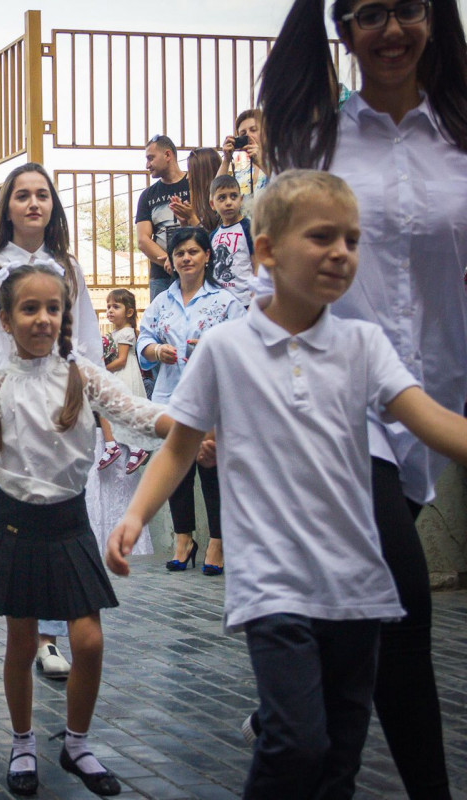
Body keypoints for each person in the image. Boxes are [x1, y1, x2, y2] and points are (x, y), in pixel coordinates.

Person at [109, 169, 467, 800]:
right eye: (322, 236)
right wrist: (136, 516)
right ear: (267, 251)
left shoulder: (363, 344)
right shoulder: (225, 349)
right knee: (295, 740)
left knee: (339, 757)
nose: (341, 252)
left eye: (352, 240)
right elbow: (180, 447)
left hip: (358, 587)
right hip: (274, 585)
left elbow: (431, 420)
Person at [257, 3, 467, 795]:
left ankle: (298, 722)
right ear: (342, 28)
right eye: (369, 13)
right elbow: (275, 275)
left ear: (433, 17)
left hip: (436, 402)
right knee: (404, 603)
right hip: (337, 403)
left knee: (363, 618)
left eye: (406, 9)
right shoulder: (318, 142)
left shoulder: (459, 135)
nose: (390, 31)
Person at [0, 261, 168, 796]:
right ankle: (22, 742)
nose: (43, 319)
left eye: (53, 309)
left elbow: (136, 411)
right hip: (16, 528)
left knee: (88, 640)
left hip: (70, 526)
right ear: (5, 318)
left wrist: (189, 423)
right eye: (30, 308)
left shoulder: (82, 374)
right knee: (20, 643)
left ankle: (76, 743)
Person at [0, 162, 104, 683]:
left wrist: (91, 407)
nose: (33, 203)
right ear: (8, 206)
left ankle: (48, 637)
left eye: (43, 194)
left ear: (53, 205)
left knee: (51, 513)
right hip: (2, 404)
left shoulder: (69, 266)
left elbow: (86, 339)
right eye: (22, 195)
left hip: (57, 404)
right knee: (7, 502)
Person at [138, 227, 245, 573]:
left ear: (207, 256)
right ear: (172, 260)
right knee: (177, 472)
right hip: (170, 398)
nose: (186, 258)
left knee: (211, 469)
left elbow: (246, 347)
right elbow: (143, 342)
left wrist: (215, 349)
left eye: (193, 252)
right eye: (180, 253)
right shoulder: (161, 303)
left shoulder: (225, 302)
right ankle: (184, 539)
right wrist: (156, 350)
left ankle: (218, 542)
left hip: (213, 400)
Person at [100, 290, 151, 474]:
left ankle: (118, 446)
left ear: (129, 312)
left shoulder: (127, 332)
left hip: (124, 374)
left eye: (116, 306)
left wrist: (102, 370)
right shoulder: (114, 333)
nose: (110, 310)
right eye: (108, 307)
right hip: (117, 374)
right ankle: (120, 446)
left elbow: (121, 360)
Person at [136, 135, 189, 303]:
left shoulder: (194, 184)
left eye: (151, 158)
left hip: (195, 272)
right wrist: (170, 260)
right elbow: (143, 239)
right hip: (161, 276)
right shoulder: (147, 195)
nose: (147, 165)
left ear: (167, 155)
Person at [208, 175, 256, 306]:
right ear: (212, 204)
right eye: (222, 198)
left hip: (245, 301)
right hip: (221, 303)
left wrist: (256, 295)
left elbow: (257, 263)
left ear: (241, 200)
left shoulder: (249, 228)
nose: (228, 202)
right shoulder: (213, 236)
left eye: (233, 196)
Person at [217, 108, 271, 215]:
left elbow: (286, 183)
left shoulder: (277, 161)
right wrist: (226, 160)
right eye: (243, 133)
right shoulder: (239, 168)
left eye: (253, 130)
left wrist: (261, 161)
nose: (248, 135)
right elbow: (215, 192)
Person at [169, 147, 222, 232]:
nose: (187, 177)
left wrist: (192, 218)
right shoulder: (199, 205)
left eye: (191, 172)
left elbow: (213, 243)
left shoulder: (222, 205)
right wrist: (185, 223)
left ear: (203, 175)